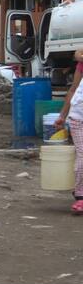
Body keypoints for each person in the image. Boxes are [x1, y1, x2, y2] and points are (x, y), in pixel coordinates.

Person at [54, 49, 83, 213]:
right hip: (79, 115)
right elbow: (73, 89)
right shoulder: (82, 62)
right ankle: (81, 196)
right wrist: (62, 116)